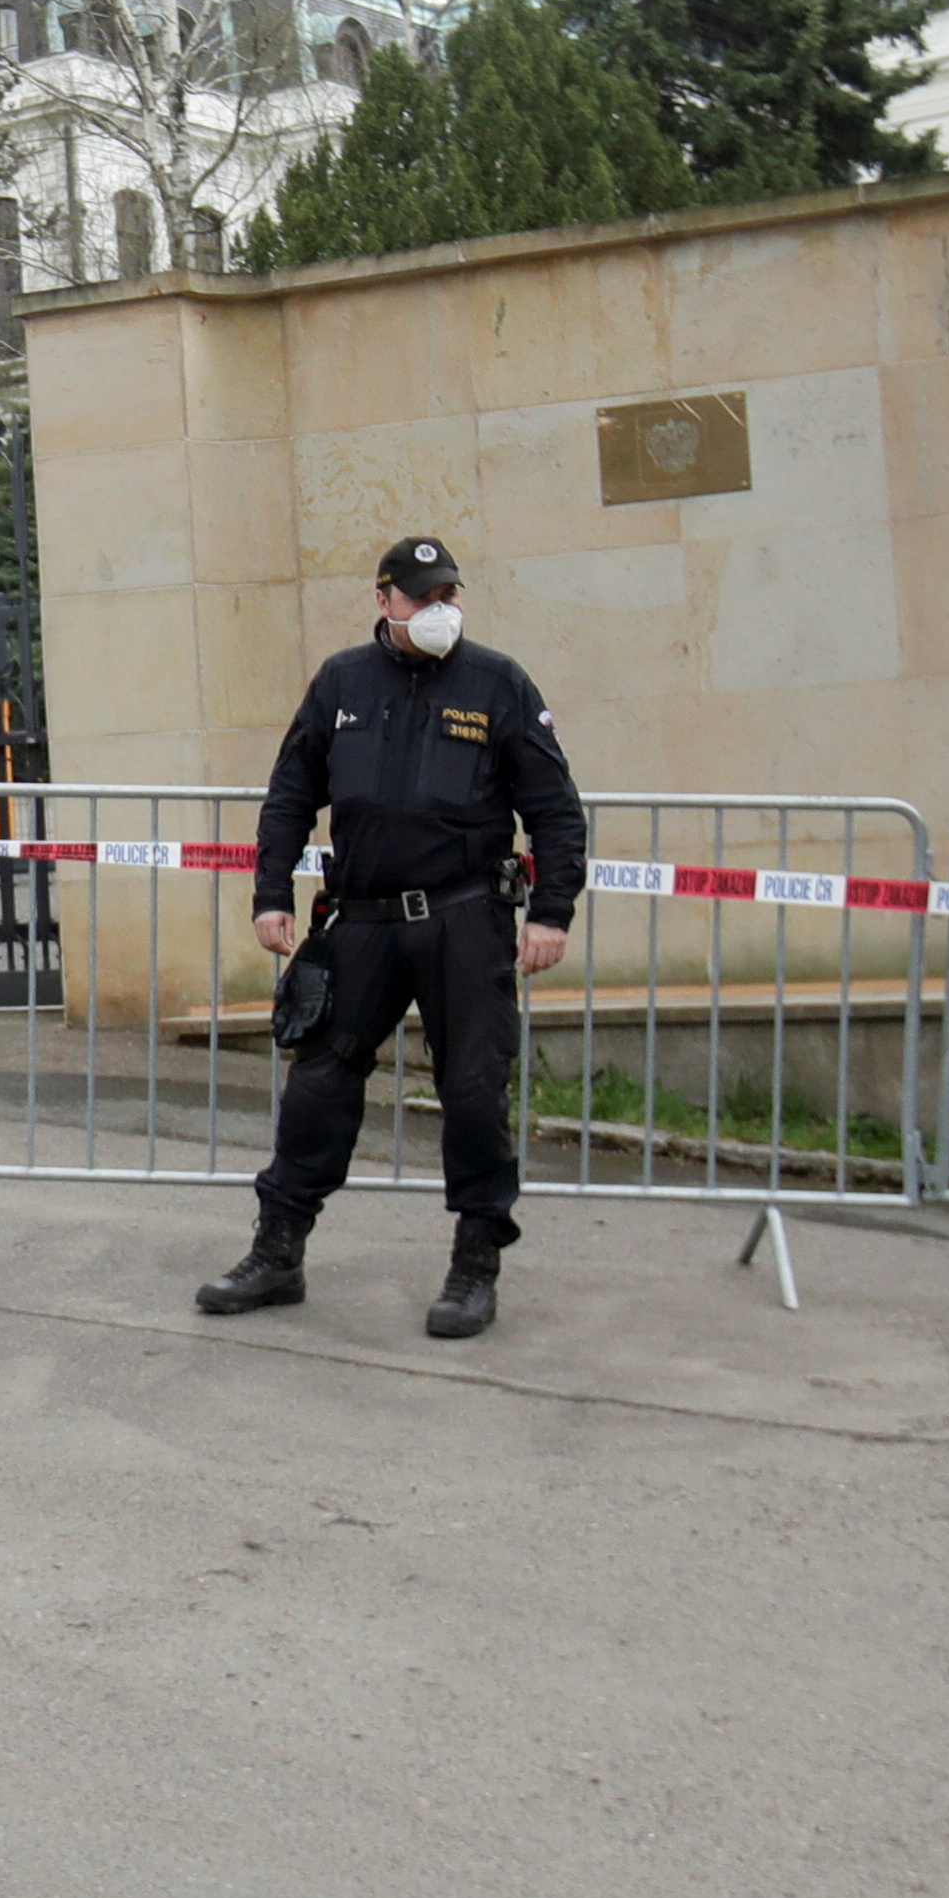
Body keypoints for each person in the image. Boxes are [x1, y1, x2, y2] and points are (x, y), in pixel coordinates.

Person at [208, 534, 588, 1340]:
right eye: (421, 596)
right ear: (383, 601)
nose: (438, 609)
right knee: (317, 1086)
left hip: (464, 918)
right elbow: (289, 794)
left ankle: (474, 1264)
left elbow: (554, 808)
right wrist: (269, 892)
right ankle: (277, 1252)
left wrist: (551, 910)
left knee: (475, 1092)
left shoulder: (497, 682)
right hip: (363, 918)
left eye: (449, 593)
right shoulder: (343, 679)